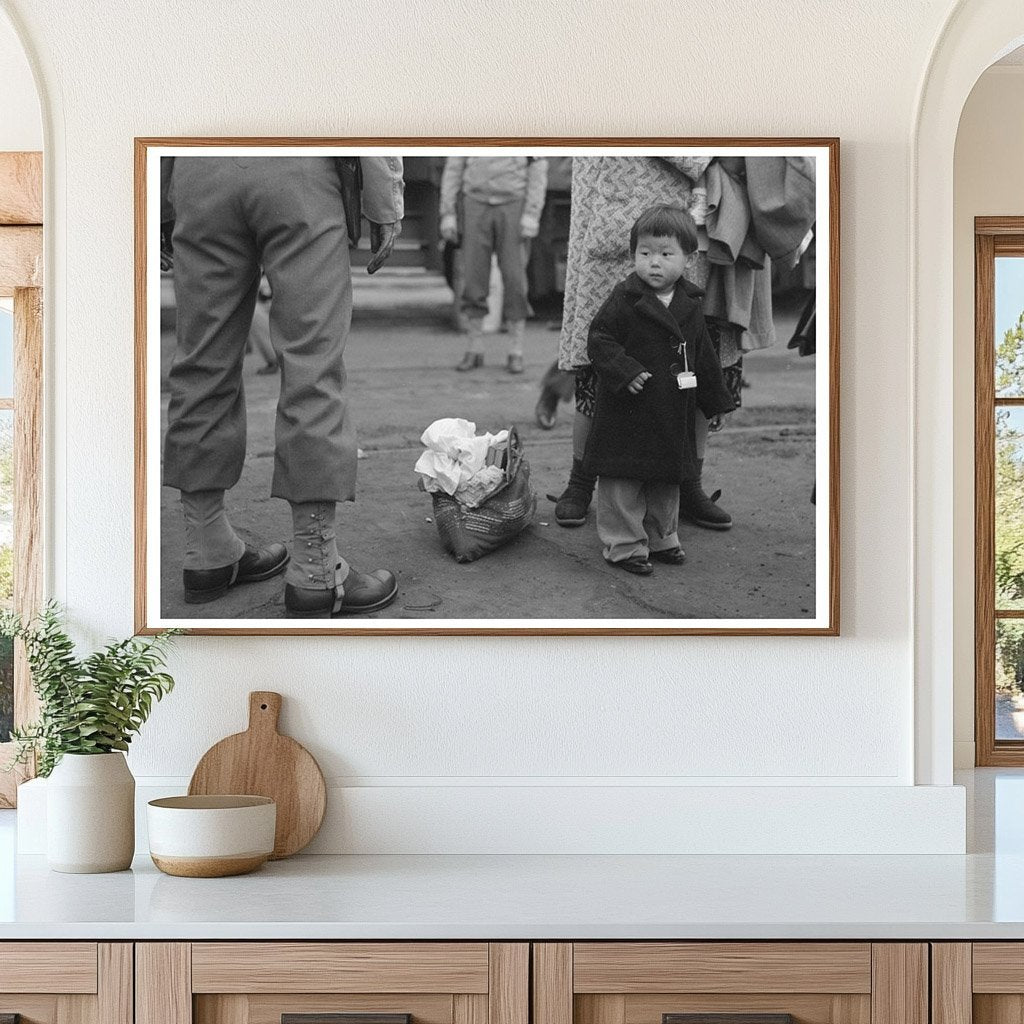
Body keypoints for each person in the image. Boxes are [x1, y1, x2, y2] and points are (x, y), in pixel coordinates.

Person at [161, 155, 405, 618]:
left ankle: (206, 547)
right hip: (298, 171)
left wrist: (160, 197)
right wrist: (384, 201)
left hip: (198, 172)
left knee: (201, 359)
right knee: (312, 361)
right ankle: (316, 568)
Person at [584, 206, 735, 575]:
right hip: (629, 410)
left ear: (688, 258)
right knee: (623, 479)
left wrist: (714, 401)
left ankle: (662, 535)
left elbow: (703, 356)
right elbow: (599, 339)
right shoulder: (624, 298)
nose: (654, 263)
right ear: (634, 254)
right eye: (645, 253)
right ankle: (624, 545)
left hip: (671, 410)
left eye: (666, 255)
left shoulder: (690, 304)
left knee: (667, 477)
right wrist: (625, 369)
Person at [439, 156, 548, 373]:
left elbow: (538, 165)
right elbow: (454, 166)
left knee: (515, 280)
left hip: (514, 204)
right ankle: (474, 348)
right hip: (474, 203)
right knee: (473, 279)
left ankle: (516, 350)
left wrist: (532, 213)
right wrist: (448, 213)